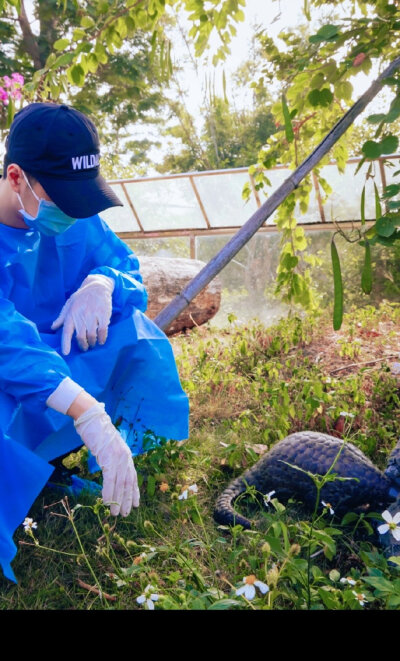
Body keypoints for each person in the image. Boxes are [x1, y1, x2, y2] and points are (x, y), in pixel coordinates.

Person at [0, 102, 189, 582]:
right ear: (16, 176)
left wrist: (103, 283)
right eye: (63, 198)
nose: (76, 212)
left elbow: (126, 267)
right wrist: (88, 412)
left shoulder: (76, 215)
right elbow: (9, 347)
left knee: (136, 335)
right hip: (11, 365)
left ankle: (55, 464)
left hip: (55, 351)